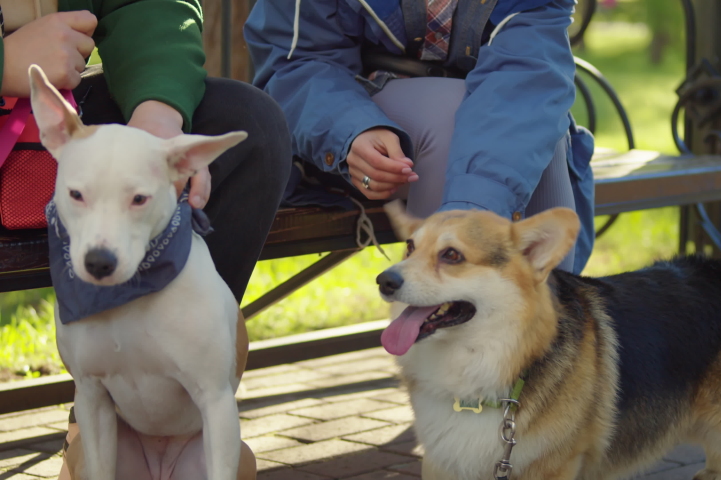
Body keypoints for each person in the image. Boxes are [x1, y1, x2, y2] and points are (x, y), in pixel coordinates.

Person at [0, 2, 289, 477]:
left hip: (62, 92)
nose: (100, 246)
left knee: (252, 119)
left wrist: (160, 109)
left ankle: (187, 335)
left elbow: (149, 5)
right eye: (78, 197)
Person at [244, 0, 595, 274]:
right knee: (450, 119)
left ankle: (543, 349)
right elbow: (297, 63)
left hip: (484, 130)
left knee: (543, 137)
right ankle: (448, 340)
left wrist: (471, 211)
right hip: (340, 132)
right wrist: (352, 131)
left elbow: (526, 85)